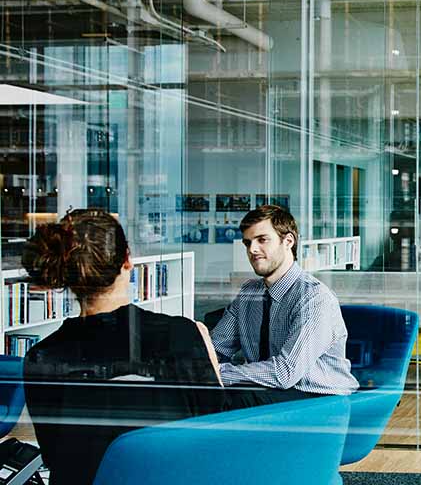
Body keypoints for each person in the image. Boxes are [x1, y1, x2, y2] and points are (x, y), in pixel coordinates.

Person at [21, 209, 224, 485]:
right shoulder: (183, 334)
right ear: (127, 260)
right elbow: (214, 435)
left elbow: (56, 454)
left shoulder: (41, 355)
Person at [210, 205, 357, 405]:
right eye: (247, 243)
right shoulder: (249, 293)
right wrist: (197, 368)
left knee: (231, 400)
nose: (252, 249)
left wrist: (220, 373)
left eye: (262, 240)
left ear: (288, 241)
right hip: (271, 390)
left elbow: (285, 372)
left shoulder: (314, 297)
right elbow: (216, 348)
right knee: (199, 394)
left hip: (317, 397)